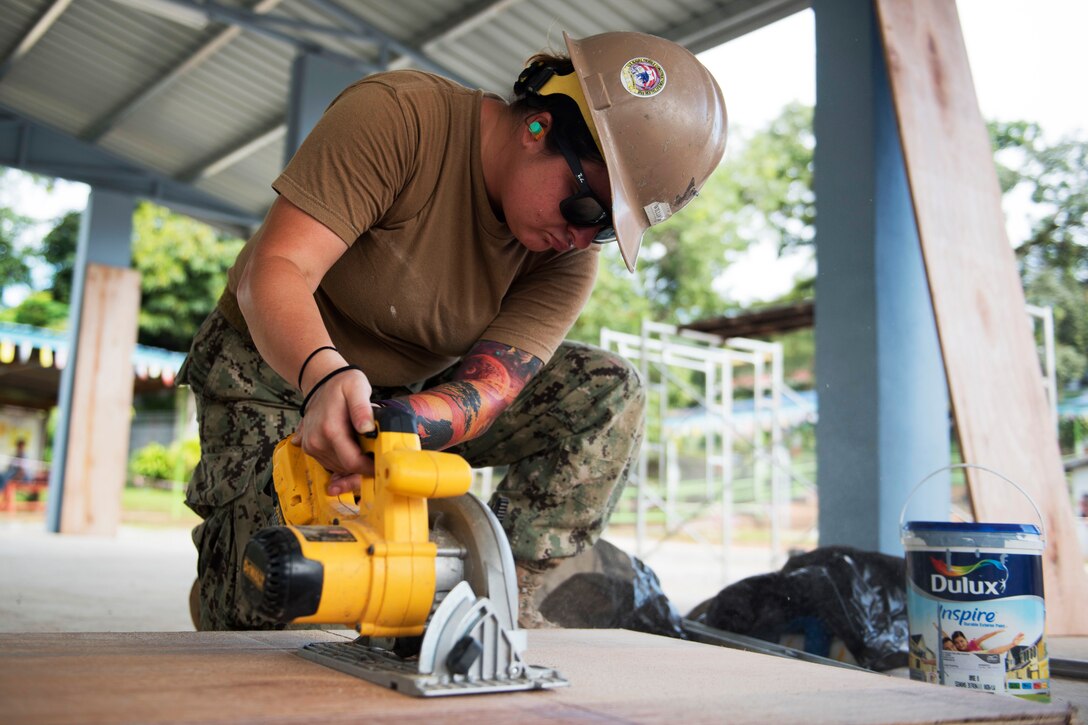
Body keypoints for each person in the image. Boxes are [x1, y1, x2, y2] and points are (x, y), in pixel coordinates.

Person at [180, 30, 727, 631]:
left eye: (603, 231)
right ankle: (225, 579)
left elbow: (491, 389)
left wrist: (391, 429)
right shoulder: (400, 118)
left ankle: (501, 594)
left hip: (409, 397)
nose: (580, 238)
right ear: (538, 127)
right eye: (588, 209)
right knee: (279, 598)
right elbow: (277, 271)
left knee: (606, 389)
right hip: (277, 369)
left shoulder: (565, 257)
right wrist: (324, 376)